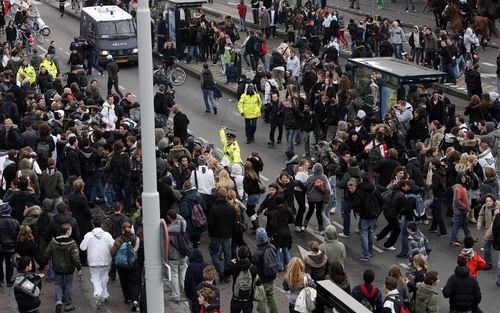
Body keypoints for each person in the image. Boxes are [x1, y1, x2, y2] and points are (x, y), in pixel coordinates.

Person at [44, 223, 81, 313]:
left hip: (57, 267)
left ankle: (58, 301)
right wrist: (79, 267)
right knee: (68, 285)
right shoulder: (72, 243)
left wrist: (45, 263)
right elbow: (75, 258)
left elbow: (46, 253)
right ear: (68, 231)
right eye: (71, 230)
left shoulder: (53, 242)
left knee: (58, 285)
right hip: (69, 268)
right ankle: (68, 304)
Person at [79, 217, 114, 305]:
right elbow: (113, 246)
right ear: (101, 225)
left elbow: (82, 247)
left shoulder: (88, 235)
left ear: (93, 225)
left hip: (93, 261)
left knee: (95, 279)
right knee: (104, 278)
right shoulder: (107, 235)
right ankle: (104, 295)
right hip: (105, 260)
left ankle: (98, 293)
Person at [111, 222, 140, 311]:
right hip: (133, 263)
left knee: (124, 281)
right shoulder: (136, 239)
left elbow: (113, 251)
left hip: (122, 265)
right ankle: (135, 299)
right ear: (131, 229)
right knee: (134, 282)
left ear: (122, 230)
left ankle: (127, 298)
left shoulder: (119, 239)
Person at [208, 188, 236, 282]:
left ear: (218, 195)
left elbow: (211, 224)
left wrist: (211, 234)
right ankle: (227, 275)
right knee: (227, 255)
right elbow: (234, 223)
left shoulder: (214, 208)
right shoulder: (231, 208)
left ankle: (220, 272)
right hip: (227, 235)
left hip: (216, 235)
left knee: (213, 252)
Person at [224, 245, 259, 313]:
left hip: (236, 298)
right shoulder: (253, 268)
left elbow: (225, 274)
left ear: (238, 255)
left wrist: (231, 263)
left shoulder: (234, 266)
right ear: (248, 254)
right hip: (248, 299)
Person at [252, 228, 279, 313]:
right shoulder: (272, 247)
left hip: (262, 279)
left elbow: (255, 269)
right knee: (271, 295)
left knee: (262, 299)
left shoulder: (257, 253)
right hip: (271, 276)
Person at [166, 209, 189, 304]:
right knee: (183, 272)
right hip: (183, 253)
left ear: (168, 217)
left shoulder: (168, 229)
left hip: (173, 255)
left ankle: (176, 295)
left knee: (174, 274)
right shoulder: (183, 225)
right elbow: (182, 218)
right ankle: (185, 292)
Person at [305, 163, 332, 234]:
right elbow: (327, 190)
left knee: (310, 211)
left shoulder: (310, 177)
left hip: (310, 198)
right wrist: (326, 200)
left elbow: (306, 187)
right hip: (319, 199)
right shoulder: (323, 177)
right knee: (319, 213)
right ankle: (321, 228)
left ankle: (304, 225)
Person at [477, 193, 500, 270]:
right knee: (487, 247)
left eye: (489, 201)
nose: (488, 203)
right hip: (489, 229)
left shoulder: (498, 208)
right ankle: (488, 263)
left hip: (496, 231)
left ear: (493, 201)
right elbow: (481, 216)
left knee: (488, 245)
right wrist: (479, 224)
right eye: (486, 201)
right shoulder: (484, 207)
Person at [0, 201, 20, 287]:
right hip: (11, 247)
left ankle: (0, 280)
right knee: (10, 264)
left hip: (0, 247)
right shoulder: (15, 222)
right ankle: (9, 281)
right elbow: (18, 236)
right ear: (10, 211)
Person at [184, 248, 209, 313]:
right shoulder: (206, 265)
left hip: (193, 295)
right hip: (205, 295)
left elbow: (187, 282)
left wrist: (188, 294)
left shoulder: (191, 267)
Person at [451, 172, 472, 246]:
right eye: (462, 177)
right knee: (456, 225)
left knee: (465, 224)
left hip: (462, 210)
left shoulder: (461, 186)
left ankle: (469, 237)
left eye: (464, 177)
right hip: (460, 210)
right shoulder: (458, 188)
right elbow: (458, 200)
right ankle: (453, 240)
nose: (463, 179)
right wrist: (466, 207)